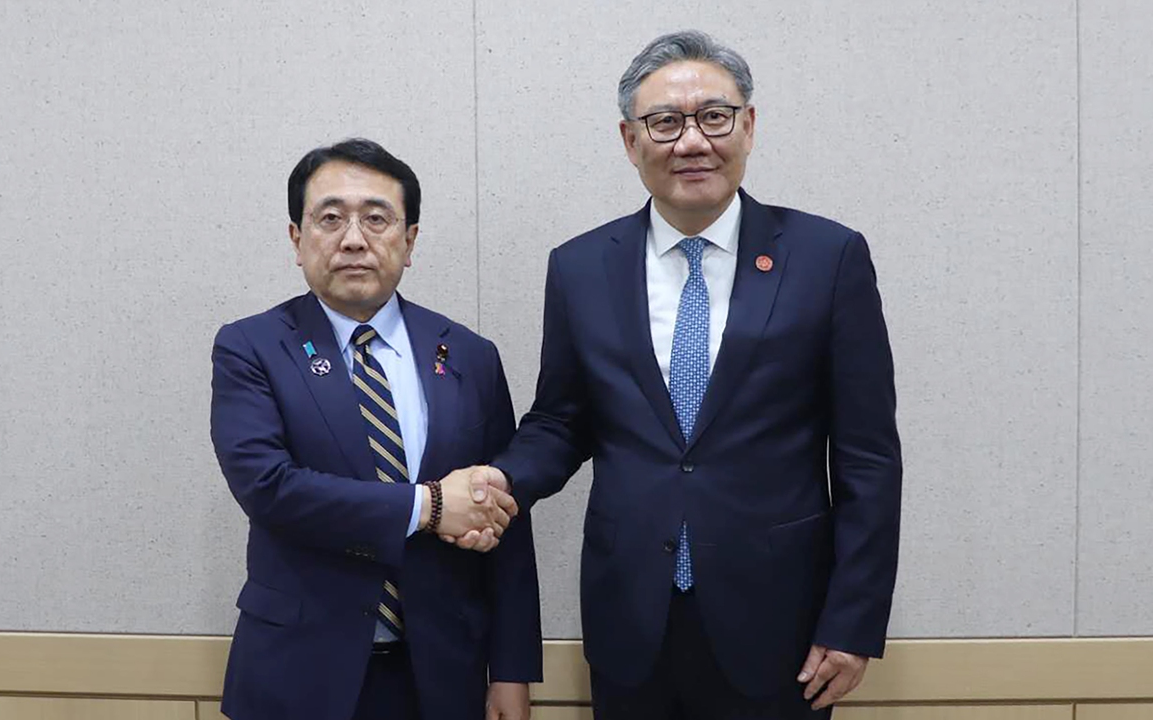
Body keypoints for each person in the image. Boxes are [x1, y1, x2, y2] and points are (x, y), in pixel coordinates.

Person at [479, 30, 902, 719]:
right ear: (630, 140)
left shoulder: (828, 258)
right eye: (665, 122)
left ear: (749, 125)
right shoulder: (581, 267)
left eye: (714, 116)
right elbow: (563, 420)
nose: (692, 141)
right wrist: (501, 483)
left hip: (782, 626)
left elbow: (868, 457)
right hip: (631, 620)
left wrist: (852, 620)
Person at [210, 138, 542, 720]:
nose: (354, 238)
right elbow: (269, 487)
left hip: (441, 673)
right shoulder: (251, 347)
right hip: (298, 672)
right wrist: (429, 506)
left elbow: (504, 516)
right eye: (330, 218)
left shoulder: (468, 354)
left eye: (377, 218)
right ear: (297, 239)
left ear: (409, 240)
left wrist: (512, 670)